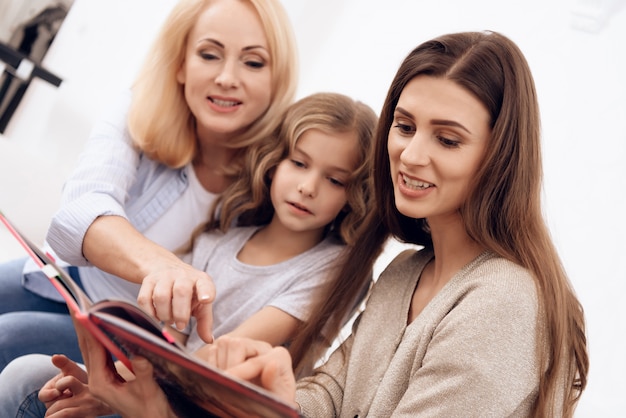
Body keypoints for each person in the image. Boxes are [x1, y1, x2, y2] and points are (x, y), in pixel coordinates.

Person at [78, 30, 589, 418]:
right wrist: (269, 391)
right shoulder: (405, 274)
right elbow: (330, 394)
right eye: (405, 126)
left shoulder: (505, 301)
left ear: (500, 157)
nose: (410, 155)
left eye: (448, 140)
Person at [0, 91, 378, 417]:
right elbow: (171, 344)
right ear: (274, 162)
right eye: (299, 163)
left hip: (198, 406)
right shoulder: (220, 240)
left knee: (27, 373)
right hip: (162, 386)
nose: (309, 187)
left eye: (335, 180)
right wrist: (105, 383)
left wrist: (112, 398)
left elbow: (219, 362)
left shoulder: (333, 268)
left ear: (353, 193)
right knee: (38, 376)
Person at [0, 0, 298, 371]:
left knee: (6, 340)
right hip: (65, 281)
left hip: (129, 338)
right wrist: (163, 267)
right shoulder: (137, 110)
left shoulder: (285, 179)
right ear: (180, 64)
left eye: (253, 62)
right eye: (209, 55)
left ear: (277, 79)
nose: (227, 77)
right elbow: (79, 213)